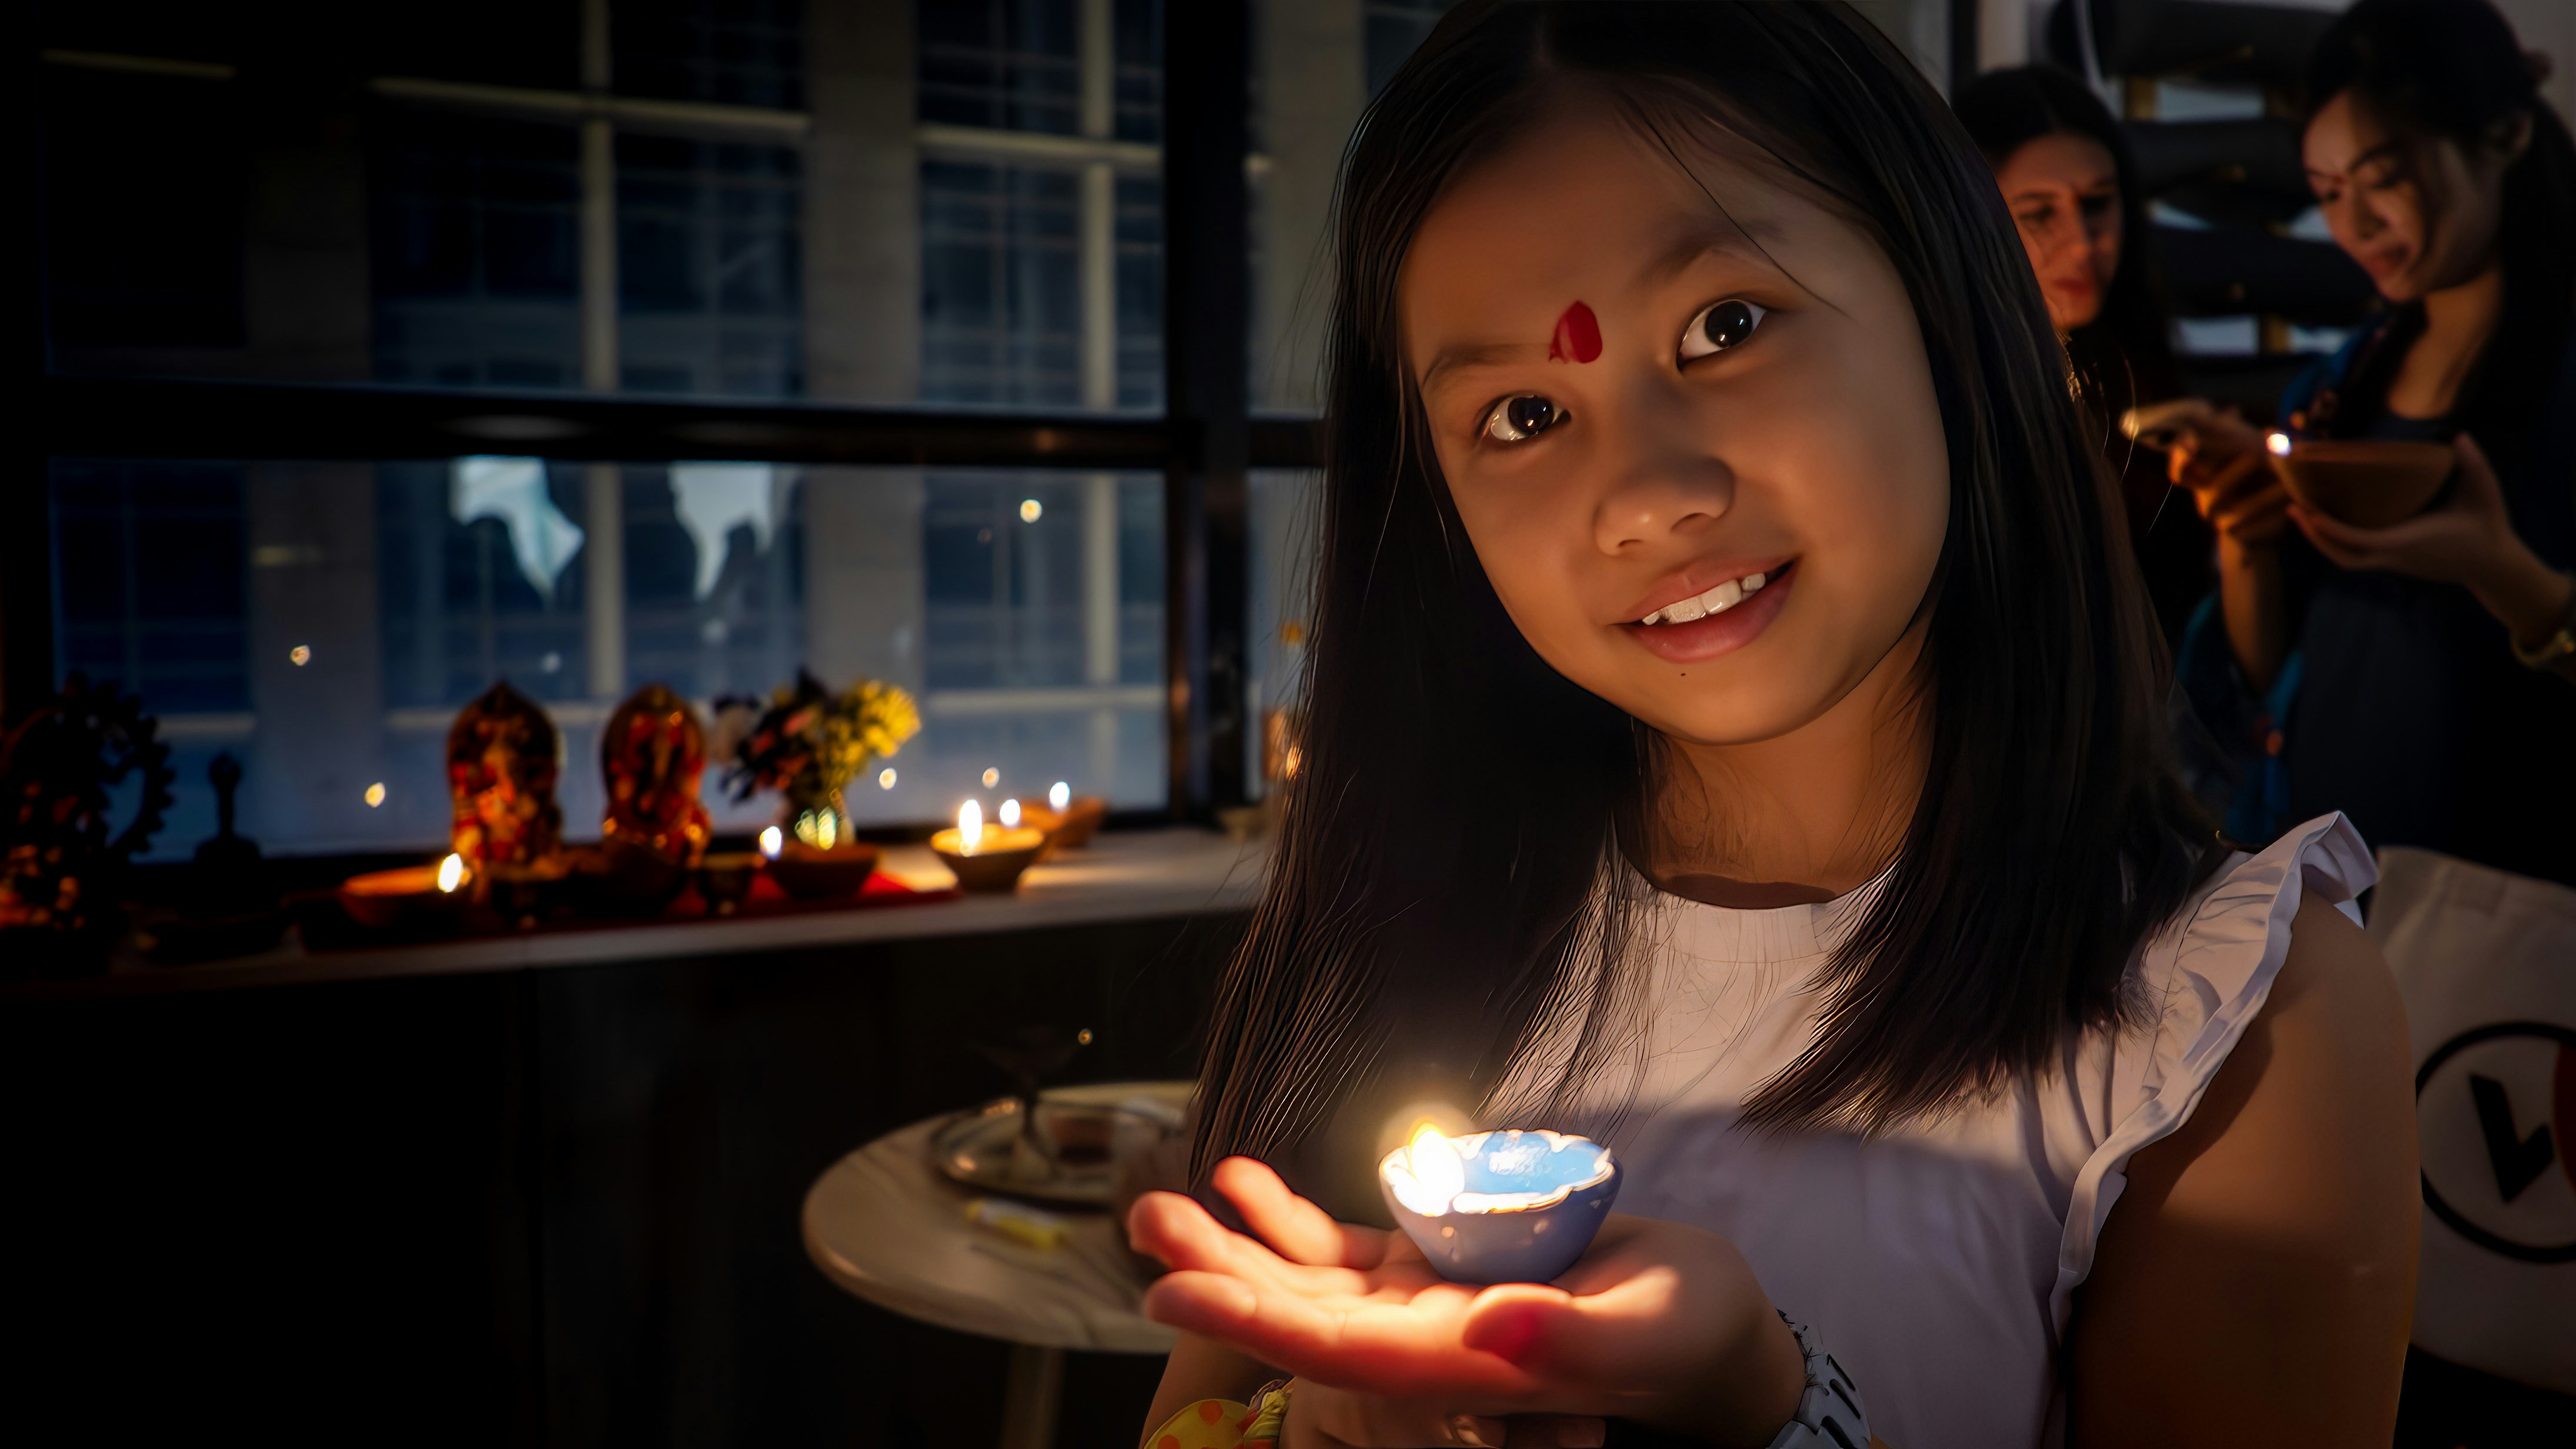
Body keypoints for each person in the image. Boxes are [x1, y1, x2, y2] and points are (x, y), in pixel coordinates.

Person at [1124, 5, 2417, 1448]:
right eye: (1522, 416)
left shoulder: (2230, 1028)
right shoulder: (1406, 933)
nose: (1643, 496)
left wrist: (1765, 1413)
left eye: (1722, 328)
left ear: (1947, 303)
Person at [2171, 0, 2576, 885]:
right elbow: (2274, 674)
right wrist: (2246, 538)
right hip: (2330, 882)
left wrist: (2503, 572)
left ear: (2504, 134)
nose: (2351, 225)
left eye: (2382, 177)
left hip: (2507, 903)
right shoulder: (2335, 391)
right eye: (2327, 193)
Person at [1955, 65, 2212, 645]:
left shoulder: (2141, 383)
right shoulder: (1943, 405)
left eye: (2096, 203)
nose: (2080, 243)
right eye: (2039, 214)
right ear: (1971, 223)